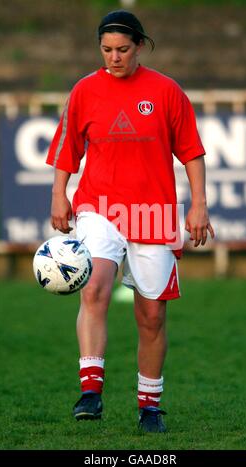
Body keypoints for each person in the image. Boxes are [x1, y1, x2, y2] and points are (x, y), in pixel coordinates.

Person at [46, 9, 214, 433]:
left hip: (154, 212)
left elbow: (191, 151)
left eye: (122, 49)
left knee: (152, 315)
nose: (114, 58)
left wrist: (199, 204)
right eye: (106, 50)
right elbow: (67, 150)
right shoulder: (85, 91)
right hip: (100, 208)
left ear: (140, 46)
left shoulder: (166, 91)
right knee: (95, 285)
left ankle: (150, 406)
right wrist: (59, 196)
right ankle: (91, 392)